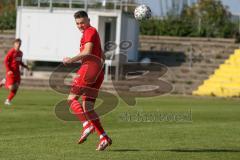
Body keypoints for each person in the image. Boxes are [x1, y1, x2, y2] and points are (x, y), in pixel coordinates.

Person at [63, 10, 112, 151]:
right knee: (88, 108)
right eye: (78, 23)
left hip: (89, 70)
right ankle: (103, 136)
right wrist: (98, 71)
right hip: (97, 72)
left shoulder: (89, 31)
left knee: (71, 99)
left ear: (88, 20)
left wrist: (71, 60)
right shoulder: (93, 33)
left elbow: (87, 51)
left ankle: (87, 125)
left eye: (82, 22)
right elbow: (102, 55)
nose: (80, 25)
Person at [0, 38, 29, 105]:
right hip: (11, 72)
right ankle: (4, 81)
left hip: (17, 72)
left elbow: (19, 62)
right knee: (11, 88)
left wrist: (25, 66)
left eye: (19, 44)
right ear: (14, 44)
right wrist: (9, 70)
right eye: (17, 44)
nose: (18, 45)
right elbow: (6, 61)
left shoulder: (20, 53)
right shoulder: (11, 52)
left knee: (16, 87)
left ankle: (8, 101)